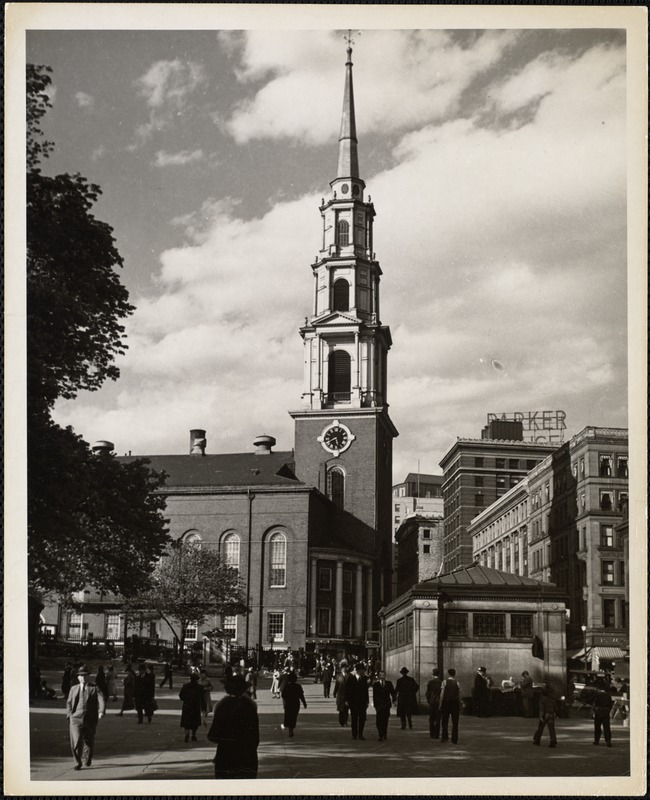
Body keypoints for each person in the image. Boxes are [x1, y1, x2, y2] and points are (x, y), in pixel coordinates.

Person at [208, 674, 260, 779]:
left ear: (227, 689)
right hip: (247, 756)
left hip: (226, 756)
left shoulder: (222, 706)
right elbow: (255, 737)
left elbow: (213, 735)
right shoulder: (250, 707)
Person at [66, 665, 106, 770]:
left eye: (84, 676)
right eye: (80, 676)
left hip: (90, 719)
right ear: (78, 677)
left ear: (88, 676)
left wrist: (101, 711)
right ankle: (77, 762)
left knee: (89, 740)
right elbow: (69, 702)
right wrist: (69, 715)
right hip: (75, 718)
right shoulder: (73, 689)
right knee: (76, 740)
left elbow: (101, 699)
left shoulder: (94, 688)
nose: (82, 678)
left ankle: (87, 757)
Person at [345, 662, 370, 740]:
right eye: (362, 670)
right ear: (359, 670)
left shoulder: (364, 679)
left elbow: (366, 691)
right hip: (353, 702)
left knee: (362, 718)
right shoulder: (351, 679)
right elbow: (347, 691)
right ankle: (354, 734)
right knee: (354, 718)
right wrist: (346, 700)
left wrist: (367, 701)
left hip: (362, 702)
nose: (363, 672)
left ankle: (360, 734)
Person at [281, 671, 307, 737]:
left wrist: (286, 699)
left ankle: (290, 729)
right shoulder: (298, 686)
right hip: (295, 703)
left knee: (288, 716)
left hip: (288, 703)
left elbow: (283, 695)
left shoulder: (287, 686)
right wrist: (304, 703)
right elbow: (301, 695)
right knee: (294, 716)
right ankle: (291, 729)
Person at [179, 672, 204, 742]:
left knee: (186, 722)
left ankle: (187, 735)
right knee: (195, 722)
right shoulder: (200, 687)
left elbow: (181, 696)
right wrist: (203, 708)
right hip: (196, 706)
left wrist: (186, 700)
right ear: (197, 680)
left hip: (187, 706)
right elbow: (202, 698)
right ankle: (194, 735)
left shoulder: (185, 686)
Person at [439, 668, 462, 744]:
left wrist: (440, 704)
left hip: (446, 703)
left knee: (444, 721)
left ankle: (444, 737)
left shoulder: (444, 682)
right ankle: (454, 739)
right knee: (455, 722)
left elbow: (442, 694)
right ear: (454, 674)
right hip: (455, 703)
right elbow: (459, 695)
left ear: (448, 674)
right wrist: (460, 704)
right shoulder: (457, 683)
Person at [372, 670, 396, 741]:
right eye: (380, 675)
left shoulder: (389, 683)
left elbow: (393, 693)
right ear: (378, 676)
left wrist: (394, 700)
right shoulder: (376, 684)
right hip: (379, 705)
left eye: (383, 675)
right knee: (378, 721)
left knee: (385, 720)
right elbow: (374, 695)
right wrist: (375, 704)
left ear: (385, 676)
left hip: (386, 704)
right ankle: (380, 734)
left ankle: (384, 733)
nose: (382, 677)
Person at [592, 682, 614, 747]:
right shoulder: (608, 695)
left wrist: (593, 710)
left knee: (597, 726)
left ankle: (597, 740)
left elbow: (593, 702)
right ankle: (608, 740)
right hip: (606, 712)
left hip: (598, 711)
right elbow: (610, 705)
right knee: (606, 726)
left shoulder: (597, 695)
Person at [425, 668, 443, 739]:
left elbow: (427, 693)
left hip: (432, 702)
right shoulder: (441, 682)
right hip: (439, 702)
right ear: (439, 674)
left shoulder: (430, 682)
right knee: (438, 718)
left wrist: (429, 700)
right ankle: (436, 734)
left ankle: (431, 733)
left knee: (431, 718)